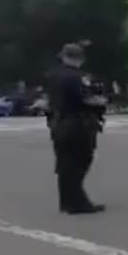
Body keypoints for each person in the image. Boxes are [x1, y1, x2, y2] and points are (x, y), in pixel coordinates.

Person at [46, 43, 107, 214]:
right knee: (80, 162)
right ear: (79, 58)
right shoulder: (79, 77)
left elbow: (50, 101)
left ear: (64, 56)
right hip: (78, 124)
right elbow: (85, 99)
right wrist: (102, 101)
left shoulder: (53, 75)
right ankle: (78, 203)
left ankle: (66, 202)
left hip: (58, 123)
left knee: (64, 164)